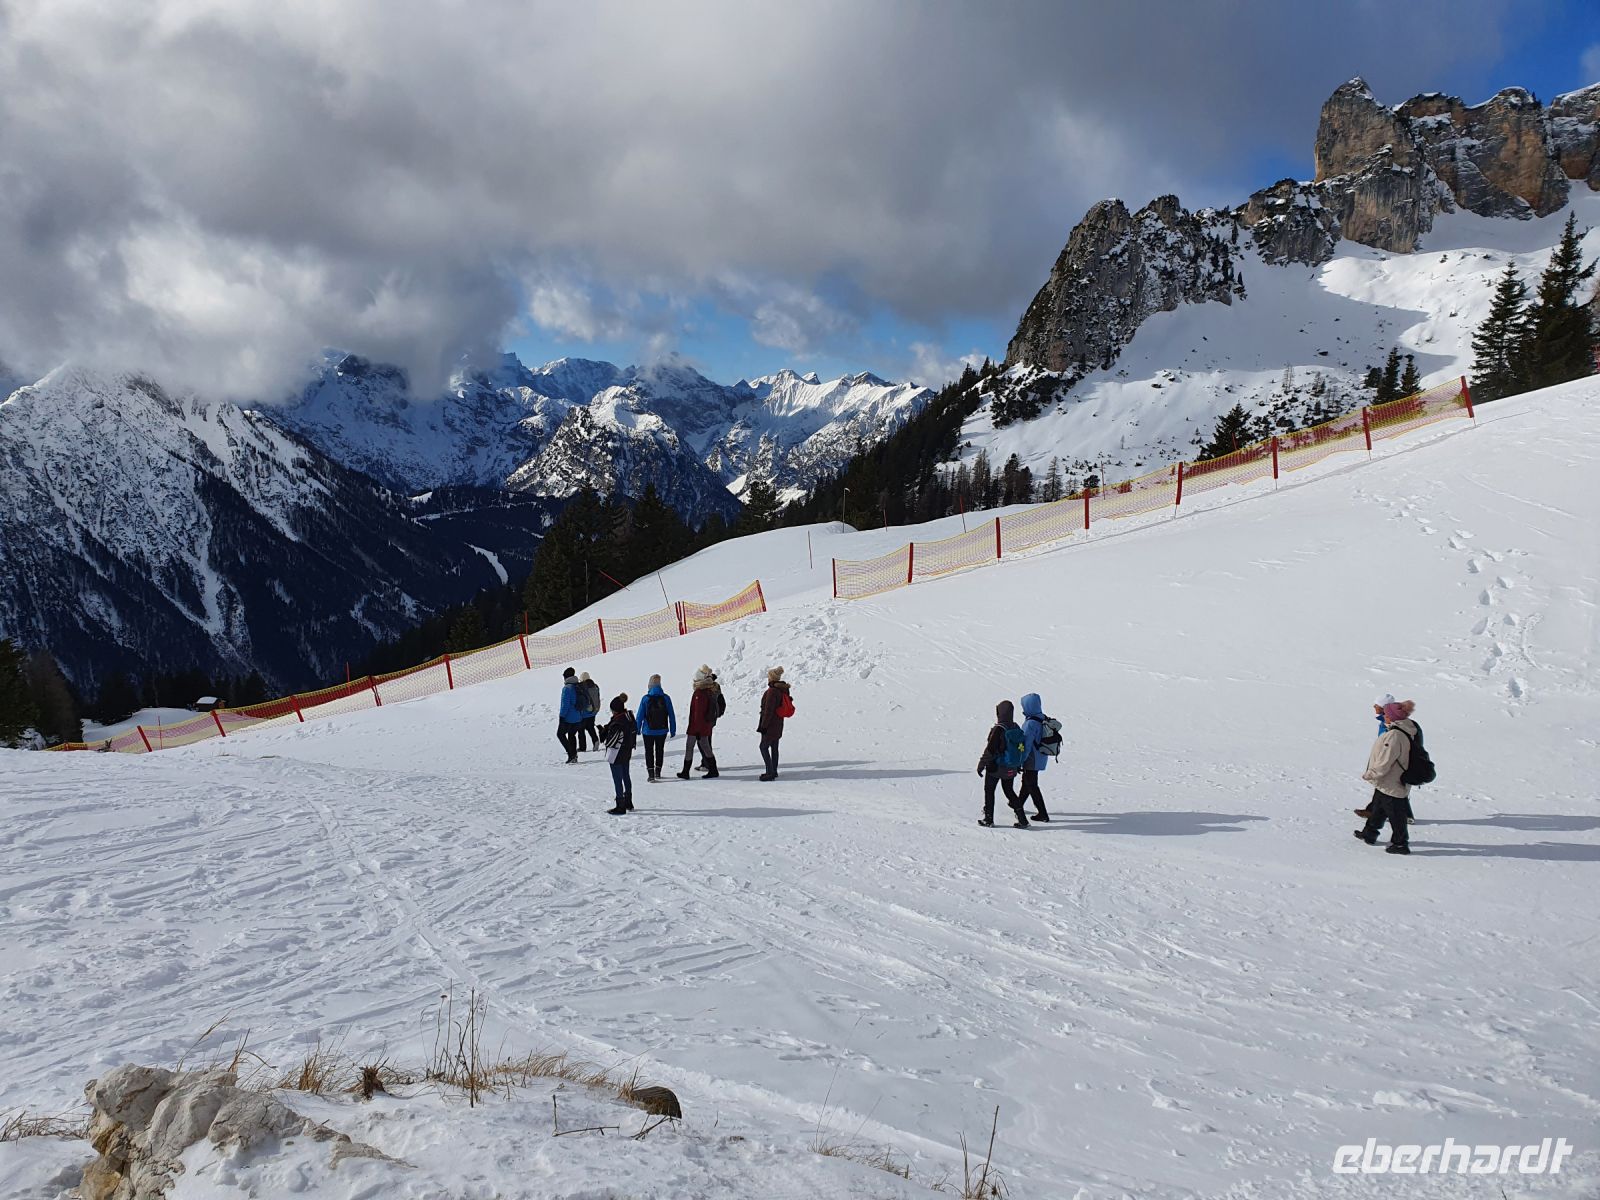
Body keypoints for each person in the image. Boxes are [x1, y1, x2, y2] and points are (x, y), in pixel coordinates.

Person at [1354, 700, 1419, 854]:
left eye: (1386, 714)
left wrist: (1372, 774)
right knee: (1379, 808)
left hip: (1392, 780)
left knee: (1396, 815)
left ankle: (1400, 844)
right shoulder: (1402, 729)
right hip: (1389, 780)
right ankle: (1369, 834)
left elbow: (1386, 759)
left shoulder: (1395, 735)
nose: (1384, 716)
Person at [976, 700, 1028, 828]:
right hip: (1011, 766)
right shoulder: (1015, 727)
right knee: (1009, 791)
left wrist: (981, 765)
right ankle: (1022, 819)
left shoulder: (999, 729)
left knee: (989, 790)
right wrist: (1018, 764)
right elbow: (1020, 747)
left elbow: (990, 750)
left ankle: (988, 819)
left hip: (996, 767)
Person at [676, 665, 720, 779]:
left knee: (690, 747)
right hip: (705, 725)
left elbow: (698, 714)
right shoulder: (708, 690)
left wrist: (695, 730)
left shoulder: (699, 693)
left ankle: (686, 771)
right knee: (706, 747)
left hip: (697, 727)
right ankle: (713, 769)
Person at [599, 695, 638, 814]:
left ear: (615, 710)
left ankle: (620, 805)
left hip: (617, 754)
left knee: (617, 779)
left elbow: (611, 742)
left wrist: (603, 732)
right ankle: (628, 801)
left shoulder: (618, 722)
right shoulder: (628, 717)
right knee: (626, 776)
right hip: (627, 752)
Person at [1017, 692, 1052, 821]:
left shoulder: (1030, 723)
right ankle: (1018, 803)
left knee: (1031, 784)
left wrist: (1021, 760)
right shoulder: (1043, 717)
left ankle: (1042, 813)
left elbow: (1026, 744)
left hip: (1032, 758)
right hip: (1041, 756)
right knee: (1027, 782)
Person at [635, 674, 676, 783]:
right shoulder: (666, 698)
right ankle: (658, 771)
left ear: (649, 686)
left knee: (649, 751)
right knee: (659, 750)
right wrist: (673, 729)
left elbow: (640, 715)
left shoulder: (645, 699)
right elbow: (671, 714)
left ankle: (651, 774)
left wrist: (637, 729)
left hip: (648, 731)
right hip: (662, 730)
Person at [756, 667, 792, 781]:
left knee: (763, 747)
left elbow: (768, 710)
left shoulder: (772, 691)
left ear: (771, 678)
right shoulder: (781, 690)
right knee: (774, 747)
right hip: (778, 724)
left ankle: (770, 772)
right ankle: (773, 770)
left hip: (770, 725)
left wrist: (763, 726)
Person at [557, 667, 587, 764]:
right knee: (571, 735)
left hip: (569, 718)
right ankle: (574, 755)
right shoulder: (578, 686)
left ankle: (571, 754)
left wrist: (561, 716)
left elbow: (565, 705)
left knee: (560, 734)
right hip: (579, 716)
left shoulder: (566, 688)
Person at [577, 672, 601, 750]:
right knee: (591, 728)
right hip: (593, 712)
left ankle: (582, 747)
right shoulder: (595, 686)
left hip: (584, 713)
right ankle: (595, 740)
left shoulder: (581, 687)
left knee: (581, 730)